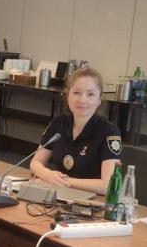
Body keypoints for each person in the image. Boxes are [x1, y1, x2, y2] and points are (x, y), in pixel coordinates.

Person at [30, 67, 121, 195]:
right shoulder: (59, 122)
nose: (82, 100)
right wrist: (47, 175)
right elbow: (35, 162)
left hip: (92, 200)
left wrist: (64, 181)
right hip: (59, 195)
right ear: (68, 96)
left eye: (90, 94)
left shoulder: (109, 131)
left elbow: (108, 185)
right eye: (77, 93)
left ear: (99, 100)